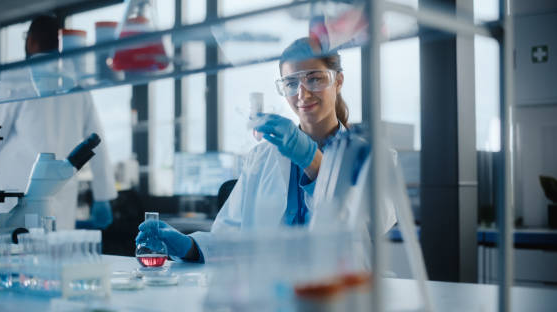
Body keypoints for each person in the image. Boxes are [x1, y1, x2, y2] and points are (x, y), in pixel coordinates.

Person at [136, 37, 395, 262]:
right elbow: (231, 237)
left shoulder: (372, 154)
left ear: (338, 81)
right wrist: (189, 247)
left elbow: (376, 222)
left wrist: (314, 163)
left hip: (337, 297)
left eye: (314, 79)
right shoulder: (263, 156)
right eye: (291, 83)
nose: (302, 94)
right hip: (272, 295)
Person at [0, 15, 117, 230]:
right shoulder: (76, 81)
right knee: (56, 258)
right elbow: (97, 140)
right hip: (60, 196)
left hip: (18, 195)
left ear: (30, 40)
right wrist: (102, 195)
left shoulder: (17, 76)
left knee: (14, 256)